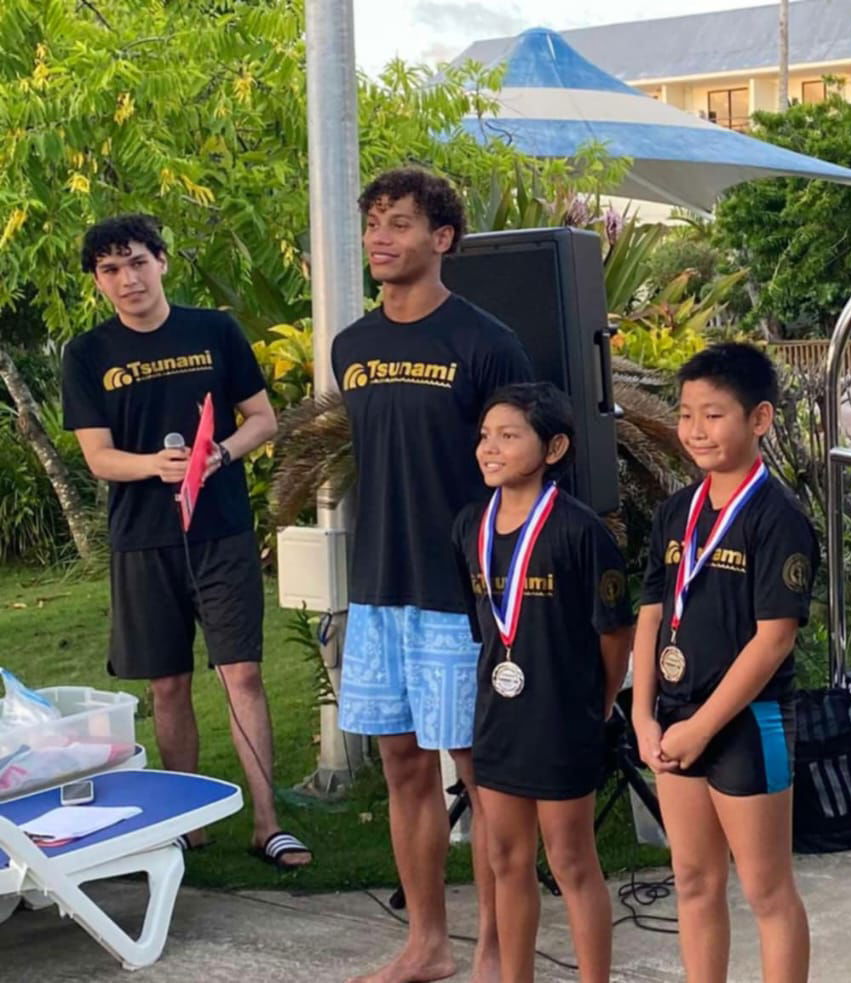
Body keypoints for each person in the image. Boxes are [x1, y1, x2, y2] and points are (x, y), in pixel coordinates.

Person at [61, 214, 312, 870]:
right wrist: (156, 466)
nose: (128, 278)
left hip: (220, 530)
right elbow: (97, 456)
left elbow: (263, 418)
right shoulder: (87, 354)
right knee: (167, 685)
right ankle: (185, 823)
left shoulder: (214, 330)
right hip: (143, 540)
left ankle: (266, 821)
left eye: (138, 262)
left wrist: (218, 455)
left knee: (243, 674)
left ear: (162, 262)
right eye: (111, 269)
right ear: (98, 281)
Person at [333, 167, 534, 983]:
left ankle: (493, 949)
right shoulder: (352, 347)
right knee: (401, 767)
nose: (382, 237)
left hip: (464, 595)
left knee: (478, 775)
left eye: (401, 223)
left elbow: (524, 470)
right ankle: (428, 943)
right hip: (379, 591)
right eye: (374, 222)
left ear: (441, 238)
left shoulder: (487, 342)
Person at [631, 343, 818, 983]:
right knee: (692, 880)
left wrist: (701, 727)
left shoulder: (779, 519)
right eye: (687, 415)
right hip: (674, 719)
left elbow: (774, 640)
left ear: (759, 419)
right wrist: (642, 717)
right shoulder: (675, 513)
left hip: (744, 725)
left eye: (714, 415)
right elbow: (652, 613)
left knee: (767, 891)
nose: (695, 431)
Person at [451, 383, 634, 983]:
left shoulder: (582, 533)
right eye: (485, 436)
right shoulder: (470, 528)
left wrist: (598, 703)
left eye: (509, 436)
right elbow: (484, 625)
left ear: (553, 447)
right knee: (506, 859)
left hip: (562, 719)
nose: (490, 449)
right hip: (499, 718)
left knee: (572, 860)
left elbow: (614, 634)